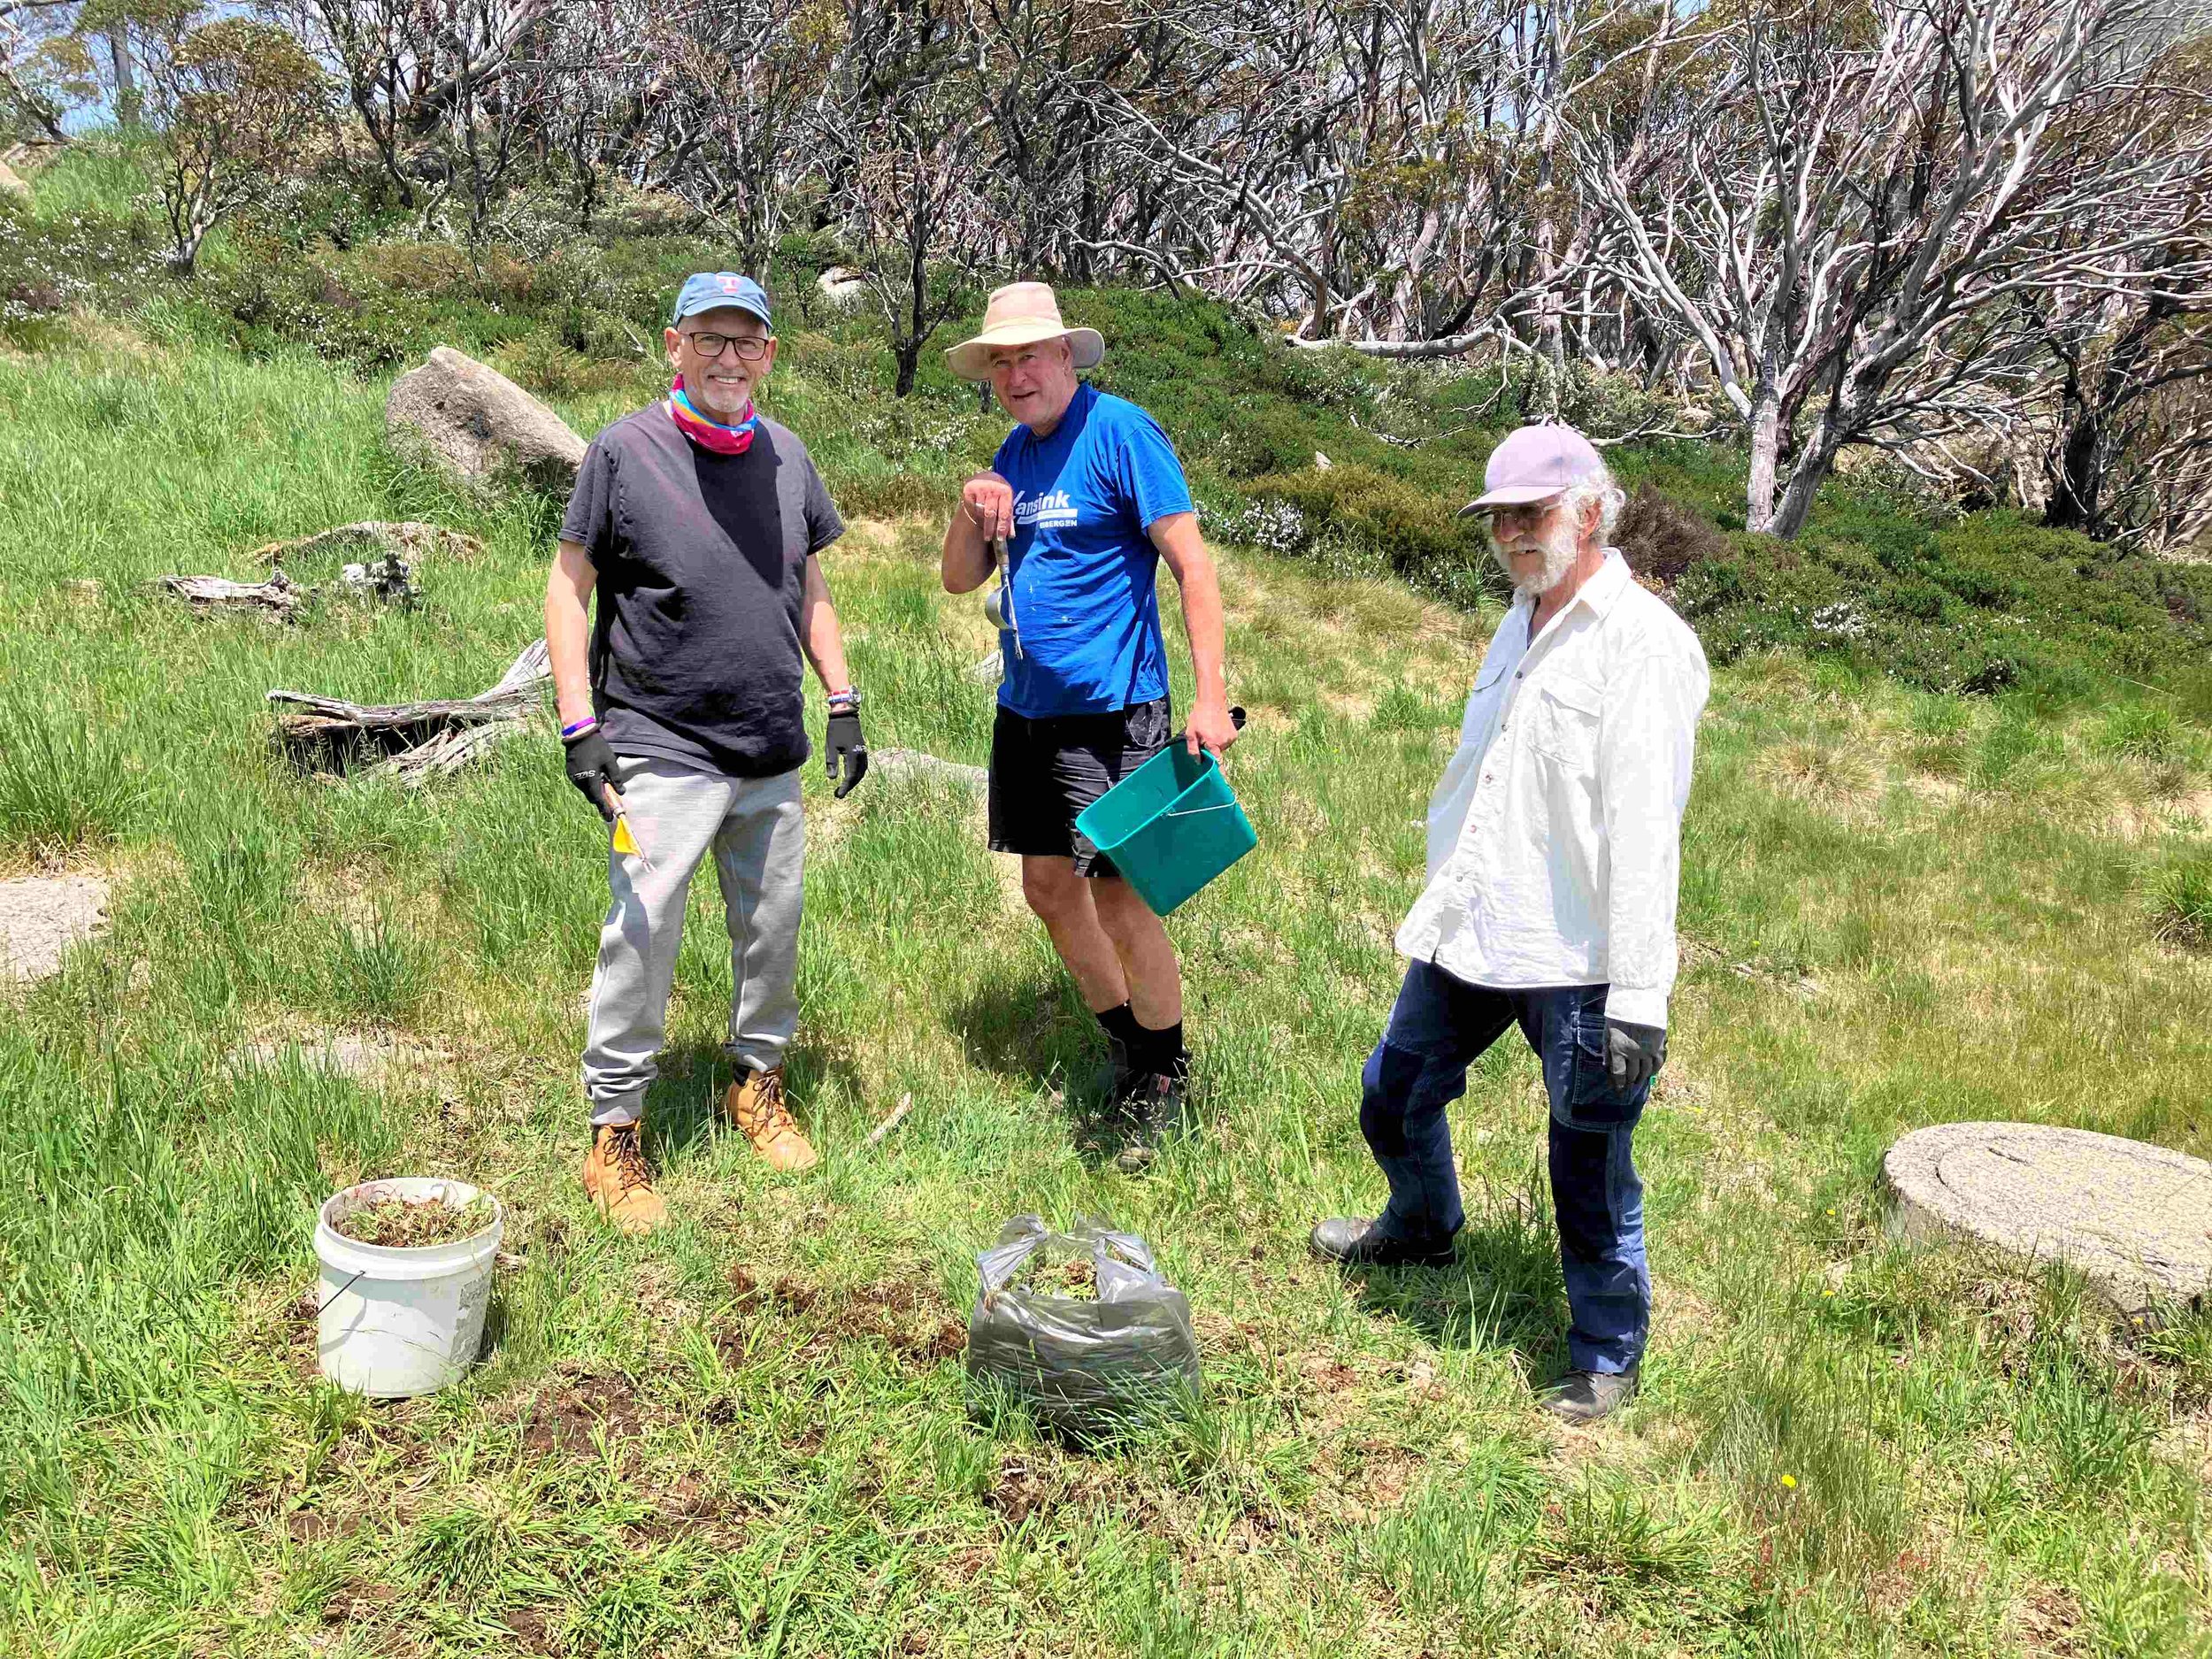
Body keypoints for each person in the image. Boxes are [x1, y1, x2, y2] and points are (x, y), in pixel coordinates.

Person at [1309, 424, 1709, 1424]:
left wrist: (1639, 1000)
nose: (1512, 536)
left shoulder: (1642, 646)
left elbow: (1646, 834)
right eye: (1498, 520)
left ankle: (1606, 1354)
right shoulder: (1520, 615)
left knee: (1586, 1160)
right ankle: (1422, 1221)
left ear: (1590, 510)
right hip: (1478, 926)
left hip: (1582, 955)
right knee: (1392, 1095)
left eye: (1531, 514)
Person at [545, 272, 869, 1234]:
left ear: (769, 354)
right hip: (657, 738)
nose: (728, 358)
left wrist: (841, 696)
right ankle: (615, 1131)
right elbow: (568, 589)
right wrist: (577, 724)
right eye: (708, 339)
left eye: (747, 342)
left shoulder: (786, 456)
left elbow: (807, 585)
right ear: (672, 345)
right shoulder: (623, 452)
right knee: (642, 929)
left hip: (769, 743)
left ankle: (757, 1084)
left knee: (772, 929)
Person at [939, 281, 1239, 1171]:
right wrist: (969, 509)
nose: (1015, 373)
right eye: (1001, 361)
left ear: (1068, 356)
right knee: (1046, 890)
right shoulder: (1011, 455)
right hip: (1025, 711)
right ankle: (1124, 1042)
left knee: (1119, 893)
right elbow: (959, 580)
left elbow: (1192, 566)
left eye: (1030, 355)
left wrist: (1208, 695)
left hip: (1114, 711)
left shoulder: (1121, 433)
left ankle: (1164, 1072)